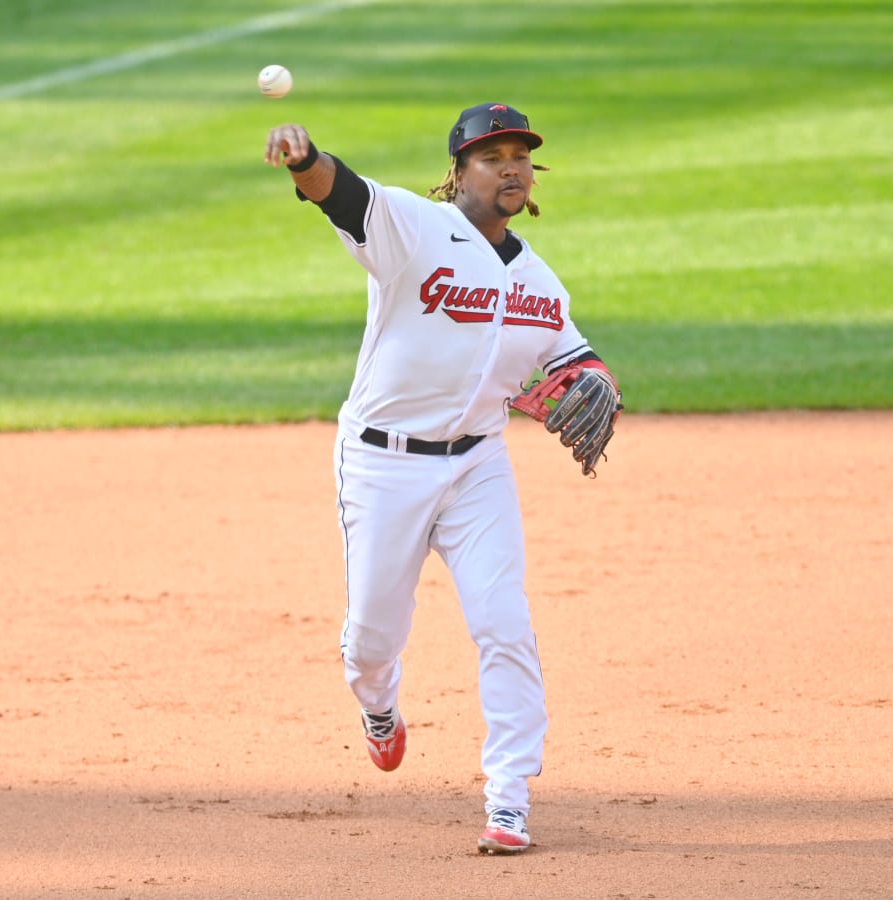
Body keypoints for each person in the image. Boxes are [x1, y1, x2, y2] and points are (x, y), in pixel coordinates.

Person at [264, 102, 617, 854]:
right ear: (457, 173)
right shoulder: (410, 228)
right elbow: (341, 191)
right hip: (382, 464)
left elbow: (573, 360)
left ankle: (510, 798)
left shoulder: (540, 283)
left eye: (521, 154)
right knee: (370, 640)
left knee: (505, 624)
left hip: (477, 467)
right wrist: (303, 159)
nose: (511, 166)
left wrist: (596, 380)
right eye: (493, 156)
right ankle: (380, 707)